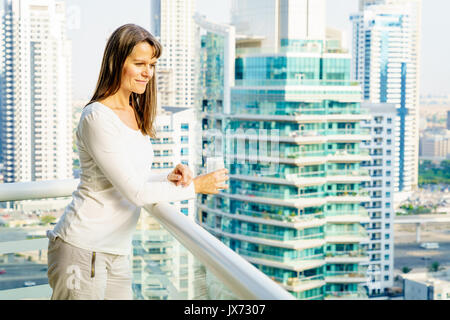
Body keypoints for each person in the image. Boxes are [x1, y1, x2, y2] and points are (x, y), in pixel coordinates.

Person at [46, 24, 229, 300]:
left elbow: (133, 177)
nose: (148, 73)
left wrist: (167, 178)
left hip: (117, 250)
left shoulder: (134, 111)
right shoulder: (96, 117)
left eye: (152, 64)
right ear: (116, 63)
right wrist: (197, 186)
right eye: (140, 64)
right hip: (81, 249)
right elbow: (135, 192)